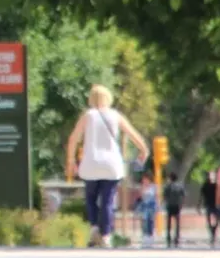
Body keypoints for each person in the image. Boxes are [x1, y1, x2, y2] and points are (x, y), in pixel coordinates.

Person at [66, 84, 150, 248]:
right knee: (108, 201)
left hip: (90, 164)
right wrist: (144, 150)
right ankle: (106, 236)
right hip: (111, 165)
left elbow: (73, 139)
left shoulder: (88, 115)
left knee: (90, 198)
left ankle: (94, 228)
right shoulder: (115, 115)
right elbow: (133, 135)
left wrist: (70, 161)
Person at [163, 171, 185, 248]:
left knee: (169, 222)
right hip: (177, 205)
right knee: (177, 222)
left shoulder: (167, 186)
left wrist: (165, 202)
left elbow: (164, 195)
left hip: (170, 205)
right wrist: (181, 203)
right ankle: (177, 237)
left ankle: (168, 236)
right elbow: (183, 195)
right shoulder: (180, 186)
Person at [136, 173, 158, 248]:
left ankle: (150, 236)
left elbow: (156, 197)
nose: (144, 181)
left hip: (151, 206)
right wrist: (142, 189)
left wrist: (157, 206)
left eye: (145, 179)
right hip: (144, 206)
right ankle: (145, 236)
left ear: (148, 179)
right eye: (143, 180)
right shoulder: (142, 187)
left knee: (151, 221)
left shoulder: (153, 187)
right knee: (144, 221)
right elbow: (140, 197)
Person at [198, 170, 219, 246]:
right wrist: (199, 206)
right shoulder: (205, 185)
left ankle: (214, 231)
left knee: (217, 221)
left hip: (216, 205)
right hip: (208, 205)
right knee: (209, 221)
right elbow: (201, 196)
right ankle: (212, 233)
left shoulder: (217, 185)